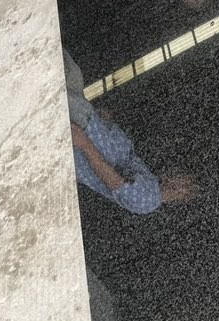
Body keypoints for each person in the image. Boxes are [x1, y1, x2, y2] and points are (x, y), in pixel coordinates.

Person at [63, 50, 195, 214]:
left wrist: (85, 144)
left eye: (185, 187)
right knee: (70, 72)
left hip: (87, 133)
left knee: (57, 85)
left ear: (180, 198)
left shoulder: (149, 200)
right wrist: (106, 123)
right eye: (183, 178)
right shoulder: (152, 182)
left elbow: (113, 180)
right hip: (92, 125)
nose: (179, 180)